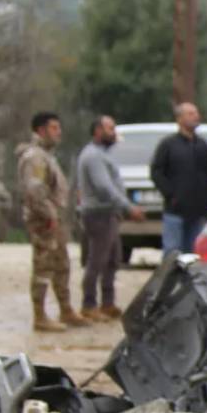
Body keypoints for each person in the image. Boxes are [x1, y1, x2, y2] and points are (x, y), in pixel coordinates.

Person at [75, 115, 145, 320]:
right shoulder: (93, 156)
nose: (113, 132)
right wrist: (128, 208)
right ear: (97, 131)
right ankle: (88, 304)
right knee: (97, 260)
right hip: (98, 215)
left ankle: (107, 303)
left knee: (112, 260)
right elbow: (104, 187)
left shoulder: (103, 154)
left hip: (109, 214)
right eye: (110, 128)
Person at [17, 111, 81, 331]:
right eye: (54, 128)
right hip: (44, 221)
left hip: (55, 219)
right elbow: (34, 190)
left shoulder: (47, 155)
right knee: (43, 268)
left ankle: (66, 309)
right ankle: (40, 315)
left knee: (61, 264)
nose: (59, 132)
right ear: (41, 130)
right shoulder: (35, 157)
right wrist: (49, 214)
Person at [150, 100, 207, 256]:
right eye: (191, 114)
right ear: (180, 119)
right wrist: (171, 194)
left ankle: (189, 281)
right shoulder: (168, 144)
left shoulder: (202, 145)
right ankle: (171, 281)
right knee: (172, 252)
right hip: (175, 211)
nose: (196, 116)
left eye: (196, 113)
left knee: (193, 254)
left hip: (198, 211)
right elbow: (156, 172)